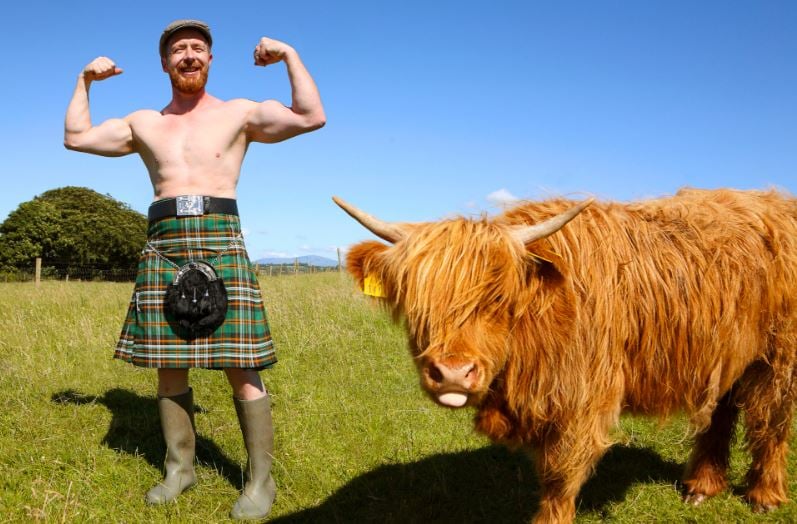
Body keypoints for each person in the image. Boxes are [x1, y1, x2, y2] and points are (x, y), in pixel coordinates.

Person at [64, 19, 325, 520]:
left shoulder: (239, 113)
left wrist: (289, 54)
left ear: (210, 59)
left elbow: (311, 116)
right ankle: (180, 469)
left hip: (221, 237)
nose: (188, 55)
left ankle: (259, 481)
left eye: (197, 48)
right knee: (169, 366)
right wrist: (85, 81)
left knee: (241, 366)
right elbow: (75, 138)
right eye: (179, 49)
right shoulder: (144, 123)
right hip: (164, 242)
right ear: (165, 63)